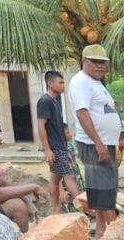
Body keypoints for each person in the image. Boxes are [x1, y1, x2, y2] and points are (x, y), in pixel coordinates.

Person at [68, 44, 121, 238]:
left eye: (103, 63)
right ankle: (120, 238)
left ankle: (101, 232)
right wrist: (99, 143)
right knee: (105, 193)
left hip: (104, 144)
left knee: (104, 192)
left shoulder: (95, 83)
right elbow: (82, 114)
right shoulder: (81, 82)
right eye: (95, 62)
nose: (100, 66)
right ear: (84, 62)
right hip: (94, 145)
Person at [36, 70, 81, 214]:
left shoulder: (55, 102)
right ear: (50, 83)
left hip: (60, 146)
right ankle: (85, 206)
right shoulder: (45, 101)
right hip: (55, 147)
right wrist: (47, 149)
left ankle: (55, 210)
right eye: (60, 82)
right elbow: (41, 125)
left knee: (55, 178)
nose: (63, 86)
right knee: (69, 176)